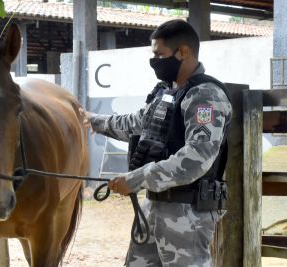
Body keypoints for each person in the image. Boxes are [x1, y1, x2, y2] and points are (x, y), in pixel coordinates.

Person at [79, 19, 232, 267]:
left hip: (187, 213)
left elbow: (197, 158)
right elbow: (137, 123)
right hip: (154, 205)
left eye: (159, 54)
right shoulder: (165, 92)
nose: (155, 62)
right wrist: (93, 120)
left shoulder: (206, 96)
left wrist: (136, 178)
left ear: (183, 52)